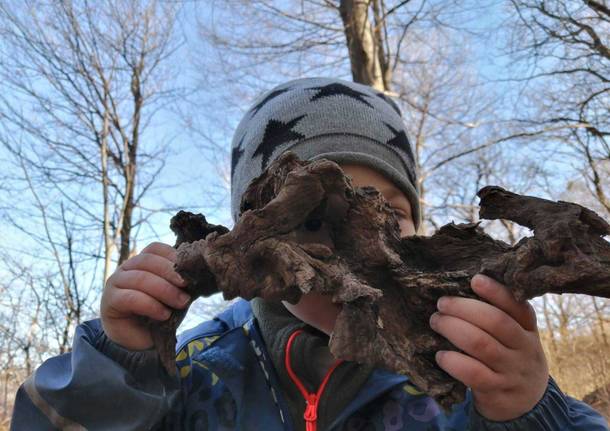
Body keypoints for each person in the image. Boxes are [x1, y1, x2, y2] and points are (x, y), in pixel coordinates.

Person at [11, 77, 609, 430]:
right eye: (312, 217)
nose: (355, 249)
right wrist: (121, 364)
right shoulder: (199, 370)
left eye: (388, 216)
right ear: (248, 244)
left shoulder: (463, 375)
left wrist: (529, 409)